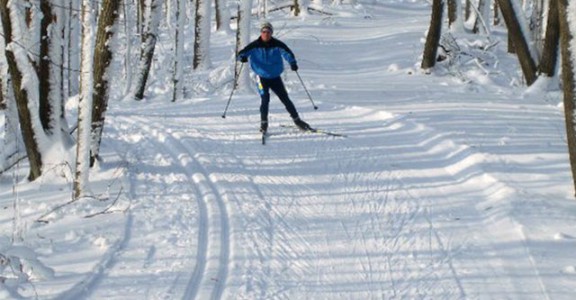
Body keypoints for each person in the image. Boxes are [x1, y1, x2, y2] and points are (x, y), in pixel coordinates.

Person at [237, 21, 311, 133]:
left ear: (271, 33)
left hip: (275, 77)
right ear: (261, 33)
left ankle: (297, 121)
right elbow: (240, 54)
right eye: (264, 31)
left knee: (285, 99)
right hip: (261, 77)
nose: (266, 34)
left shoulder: (277, 44)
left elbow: (288, 53)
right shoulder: (254, 45)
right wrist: (242, 58)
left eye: (268, 32)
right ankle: (264, 124)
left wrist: (293, 63)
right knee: (265, 99)